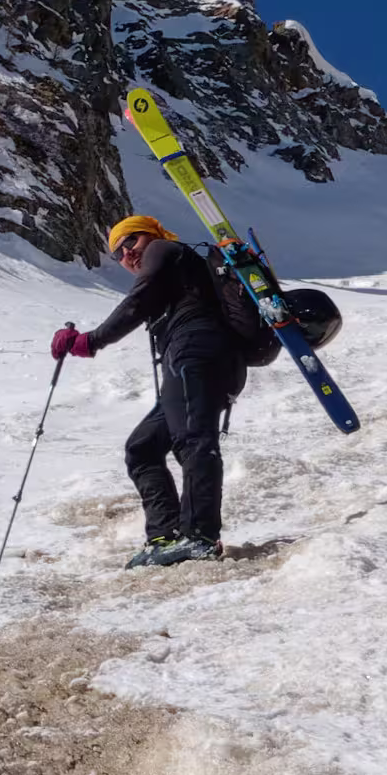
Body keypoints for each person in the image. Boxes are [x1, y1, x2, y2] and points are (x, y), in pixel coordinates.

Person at [50, 212, 248, 568]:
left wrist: (88, 342)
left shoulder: (163, 249)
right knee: (142, 448)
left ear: (148, 235)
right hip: (201, 362)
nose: (127, 254)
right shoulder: (172, 267)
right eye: (117, 254)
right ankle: (164, 535)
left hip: (196, 354)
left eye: (130, 241)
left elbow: (135, 304)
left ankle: (200, 536)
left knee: (194, 439)